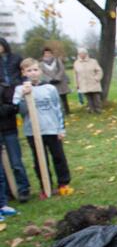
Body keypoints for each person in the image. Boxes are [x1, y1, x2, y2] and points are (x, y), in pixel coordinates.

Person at [13, 58, 73, 197]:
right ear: (23, 72)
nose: (33, 73)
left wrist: (60, 129)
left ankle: (63, 183)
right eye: (29, 70)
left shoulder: (49, 88)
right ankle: (45, 186)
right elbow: (18, 110)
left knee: (59, 157)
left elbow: (57, 109)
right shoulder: (19, 90)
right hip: (33, 131)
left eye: (35, 70)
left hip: (51, 129)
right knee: (40, 160)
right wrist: (23, 95)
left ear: (40, 71)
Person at [0, 37, 31, 202]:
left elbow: (12, 106)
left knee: (15, 161)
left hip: (9, 127)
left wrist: (8, 108)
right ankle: (7, 192)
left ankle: (23, 188)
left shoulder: (6, 88)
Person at [40, 47, 71, 115]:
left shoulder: (57, 60)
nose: (47, 54)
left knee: (63, 97)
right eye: (46, 53)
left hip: (60, 82)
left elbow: (62, 69)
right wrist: (50, 79)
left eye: (49, 53)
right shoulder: (41, 64)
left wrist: (57, 78)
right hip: (50, 83)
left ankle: (66, 111)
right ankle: (57, 111)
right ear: (43, 54)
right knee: (53, 98)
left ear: (51, 53)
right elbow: (42, 73)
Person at [73, 48, 103, 114]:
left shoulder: (93, 61)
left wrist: (97, 78)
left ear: (86, 54)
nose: (82, 55)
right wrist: (76, 84)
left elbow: (99, 71)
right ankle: (91, 110)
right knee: (88, 98)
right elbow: (75, 75)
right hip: (83, 83)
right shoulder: (76, 63)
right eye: (80, 53)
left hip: (93, 83)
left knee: (96, 97)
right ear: (78, 54)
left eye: (83, 53)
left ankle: (98, 110)